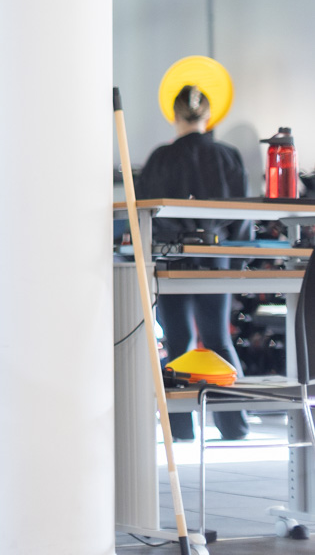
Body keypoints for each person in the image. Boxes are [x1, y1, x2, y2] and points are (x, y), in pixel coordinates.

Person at [136, 84, 251, 442]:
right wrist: (238, 262)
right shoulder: (228, 156)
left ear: (173, 115)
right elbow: (242, 216)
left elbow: (143, 211)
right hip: (217, 260)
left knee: (177, 341)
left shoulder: (159, 159)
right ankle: (234, 425)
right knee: (217, 339)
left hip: (171, 261)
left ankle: (180, 427)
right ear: (209, 115)